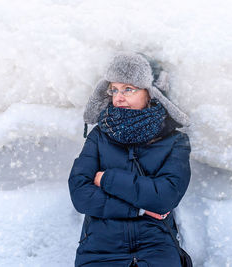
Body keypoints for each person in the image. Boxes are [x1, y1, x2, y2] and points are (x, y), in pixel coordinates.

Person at [68, 52, 191, 267]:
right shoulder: (99, 136)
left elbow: (165, 197)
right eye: (114, 89)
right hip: (100, 251)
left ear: (150, 94)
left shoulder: (175, 141)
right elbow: (80, 194)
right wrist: (139, 209)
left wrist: (107, 179)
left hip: (156, 249)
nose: (118, 97)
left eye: (128, 89)